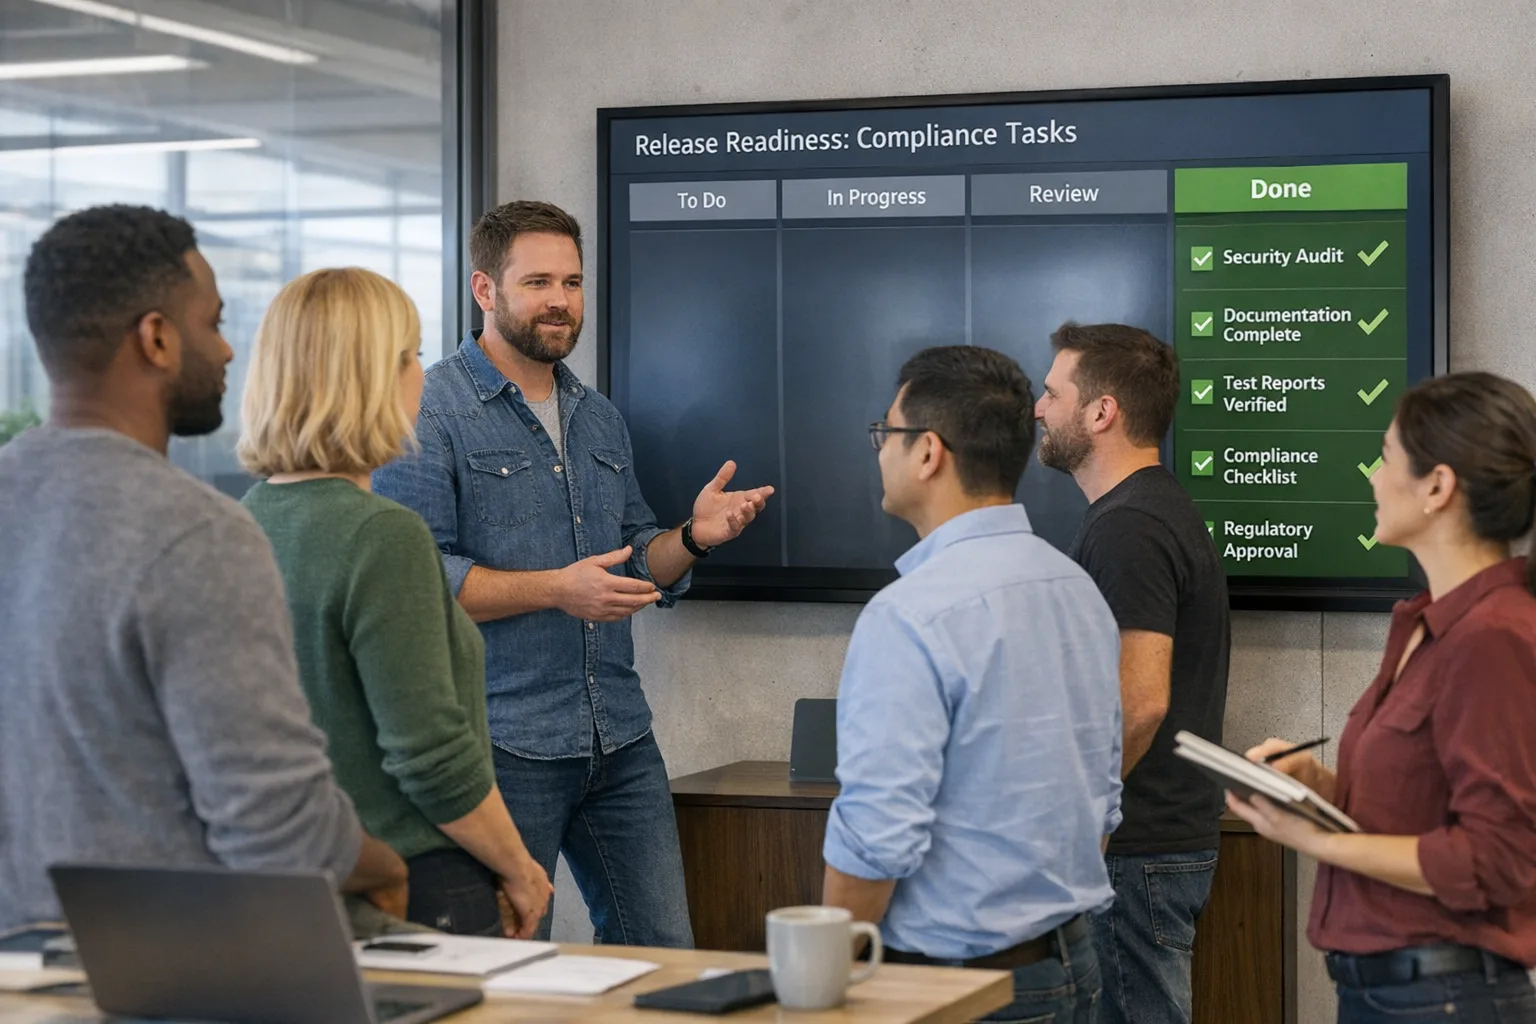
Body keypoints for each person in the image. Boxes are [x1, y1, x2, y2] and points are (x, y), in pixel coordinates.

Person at [373, 200, 773, 946]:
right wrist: (557, 588)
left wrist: (692, 536)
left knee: (666, 961)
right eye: (538, 282)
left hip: (618, 740)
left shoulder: (598, 417)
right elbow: (417, 583)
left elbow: (633, 557)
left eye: (573, 281)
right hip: (502, 748)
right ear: (485, 290)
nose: (560, 300)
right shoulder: (427, 411)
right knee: (507, 975)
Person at [0, 205, 406, 932]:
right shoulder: (196, 532)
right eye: (213, 323)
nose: (226, 353)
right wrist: (384, 863)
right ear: (157, 338)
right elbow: (279, 826)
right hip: (172, 971)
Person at [237, 267, 554, 938]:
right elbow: (432, 758)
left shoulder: (244, 522)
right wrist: (520, 867)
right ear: (371, 377)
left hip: (292, 885)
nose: (423, 374)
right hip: (413, 888)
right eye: (411, 355)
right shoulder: (382, 534)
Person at [821, 345, 1123, 1023]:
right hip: (1073, 964)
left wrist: (826, 982)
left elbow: (876, 837)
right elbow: (1099, 800)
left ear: (928, 452)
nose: (879, 451)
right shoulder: (1077, 589)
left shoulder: (909, 614)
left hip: (956, 988)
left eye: (886, 434)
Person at [1230, 371, 1536, 1024]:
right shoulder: (1426, 626)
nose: (1371, 475)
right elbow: (1417, 810)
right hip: (1390, 994)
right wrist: (1314, 788)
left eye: (1386, 456)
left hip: (1442, 999)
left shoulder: (1494, 636)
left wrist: (1316, 842)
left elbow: (1498, 859)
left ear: (1438, 486)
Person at [1033, 322, 1231, 1024]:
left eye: (1053, 393)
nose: (1038, 408)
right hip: (1152, 848)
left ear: (1101, 411)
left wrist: (1087, 831)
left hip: (1134, 851)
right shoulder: (1141, 511)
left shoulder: (1131, 525)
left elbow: (1140, 702)